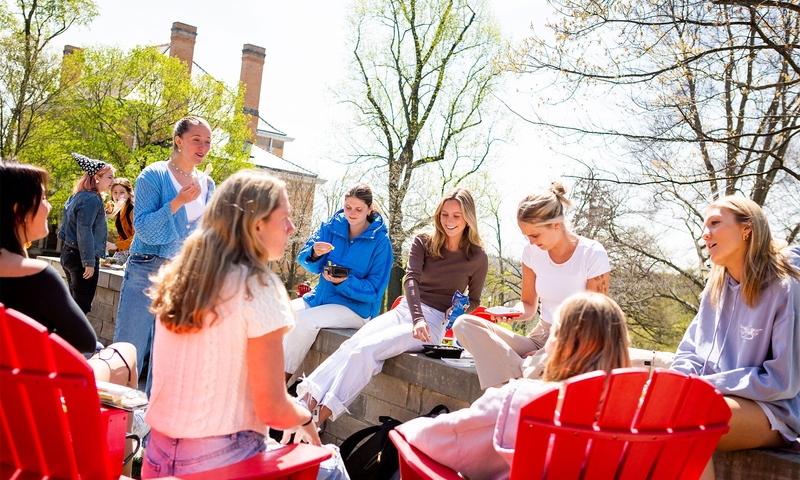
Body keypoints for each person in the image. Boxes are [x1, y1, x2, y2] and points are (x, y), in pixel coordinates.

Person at [142, 170, 348, 479]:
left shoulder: (180, 278)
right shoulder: (257, 286)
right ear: (256, 225)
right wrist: (305, 418)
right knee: (331, 467)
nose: (292, 228)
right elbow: (272, 407)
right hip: (223, 460)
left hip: (157, 456)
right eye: (285, 218)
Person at [297, 187, 489, 426]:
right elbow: (410, 280)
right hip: (404, 312)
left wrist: (461, 309)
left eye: (456, 216)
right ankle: (305, 405)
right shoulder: (424, 241)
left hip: (430, 326)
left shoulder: (478, 256)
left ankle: (315, 421)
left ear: (468, 218)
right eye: (444, 214)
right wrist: (415, 316)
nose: (449, 221)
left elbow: (475, 301)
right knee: (352, 344)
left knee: (365, 351)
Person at [395, 291, 631, 479]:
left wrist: (403, 430)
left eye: (554, 332)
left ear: (561, 344)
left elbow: (435, 439)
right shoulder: (638, 421)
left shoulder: (517, 402)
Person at [670, 196, 799, 479]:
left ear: (747, 229)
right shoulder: (714, 288)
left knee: (690, 421)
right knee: (651, 414)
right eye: (704, 226)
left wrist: (707, 387)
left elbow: (781, 382)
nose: (706, 233)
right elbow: (690, 353)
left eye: (715, 223)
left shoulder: (785, 289)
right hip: (717, 398)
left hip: (773, 410)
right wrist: (673, 387)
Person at [452, 182, 610, 389]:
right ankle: (524, 373)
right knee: (463, 325)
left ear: (556, 225)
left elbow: (595, 322)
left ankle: (514, 382)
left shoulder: (592, 254)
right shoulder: (531, 252)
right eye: (527, 236)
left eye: (535, 235)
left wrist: (550, 352)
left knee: (540, 361)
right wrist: (511, 312)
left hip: (576, 343)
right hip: (539, 337)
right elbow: (527, 304)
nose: (531, 242)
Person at [0, 162, 137, 389]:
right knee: (125, 351)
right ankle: (134, 424)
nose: (50, 207)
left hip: (10, 387)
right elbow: (85, 341)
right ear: (18, 210)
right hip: (37, 386)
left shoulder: (81, 198)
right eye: (43, 198)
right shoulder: (37, 276)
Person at [113, 115, 215, 394]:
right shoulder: (153, 175)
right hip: (147, 268)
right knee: (128, 350)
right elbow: (145, 231)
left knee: (168, 359)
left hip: (183, 278)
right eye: (197, 140)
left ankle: (152, 433)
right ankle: (110, 426)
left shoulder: (208, 183)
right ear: (178, 141)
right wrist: (179, 202)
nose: (203, 146)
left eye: (207, 141)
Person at [284, 184, 393, 382]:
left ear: (369, 209)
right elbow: (304, 260)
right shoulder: (331, 227)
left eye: (359, 209)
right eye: (348, 207)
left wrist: (344, 282)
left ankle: (279, 386)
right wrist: (315, 253)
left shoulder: (381, 242)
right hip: (321, 298)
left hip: (355, 309)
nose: (352, 213)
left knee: (304, 322)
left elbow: (375, 291)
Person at [57, 153, 116, 314]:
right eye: (109, 177)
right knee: (81, 308)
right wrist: (89, 262)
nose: (113, 181)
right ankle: (69, 338)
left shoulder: (78, 196)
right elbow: (84, 230)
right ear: (97, 177)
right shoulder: (92, 199)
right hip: (81, 258)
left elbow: (72, 226)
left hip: (69, 254)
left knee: (75, 306)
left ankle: (66, 337)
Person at [105, 177, 135, 263]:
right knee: (108, 263)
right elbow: (122, 235)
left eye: (122, 192)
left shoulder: (133, 211)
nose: (118, 196)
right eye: (115, 192)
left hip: (136, 251)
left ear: (129, 194)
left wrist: (116, 245)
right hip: (125, 249)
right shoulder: (117, 211)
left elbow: (136, 237)